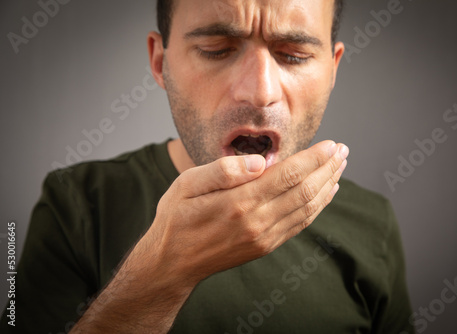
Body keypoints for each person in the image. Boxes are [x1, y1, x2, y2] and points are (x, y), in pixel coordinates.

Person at [1, 0, 414, 333]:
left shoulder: (373, 223)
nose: (260, 92)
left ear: (332, 70)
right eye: (216, 50)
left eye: (293, 56)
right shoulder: (74, 205)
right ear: (160, 62)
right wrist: (165, 273)